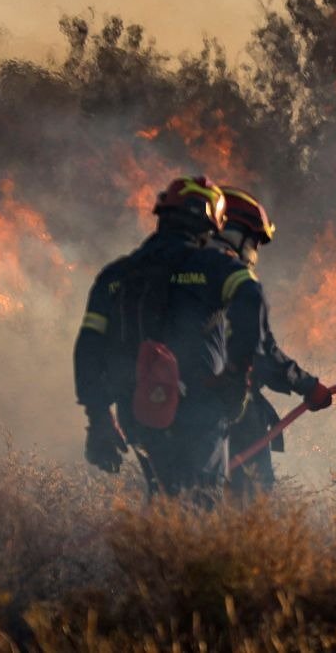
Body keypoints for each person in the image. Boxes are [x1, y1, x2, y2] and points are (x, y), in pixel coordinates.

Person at [73, 176, 297, 500]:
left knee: (164, 498)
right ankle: (188, 548)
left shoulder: (117, 274)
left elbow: (90, 348)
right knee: (199, 502)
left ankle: (159, 547)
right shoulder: (213, 266)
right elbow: (251, 299)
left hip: (138, 410)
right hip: (200, 408)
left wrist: (97, 418)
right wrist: (236, 377)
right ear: (210, 221)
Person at [214, 187, 331, 496]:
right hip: (231, 405)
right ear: (233, 233)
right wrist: (308, 386)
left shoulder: (175, 272)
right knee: (251, 492)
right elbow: (262, 353)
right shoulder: (235, 279)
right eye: (253, 241)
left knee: (183, 496)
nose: (254, 250)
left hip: (172, 406)